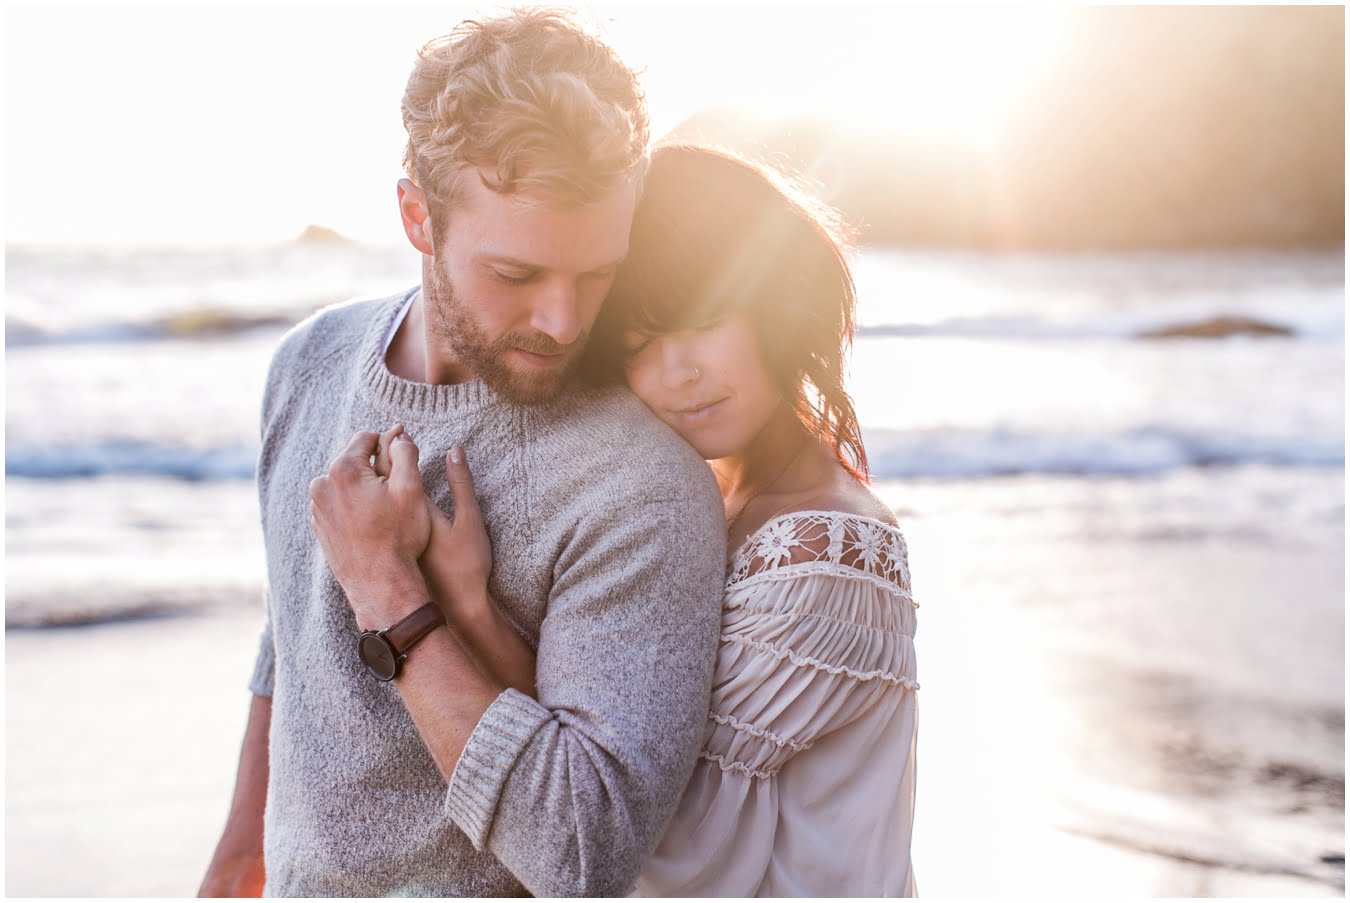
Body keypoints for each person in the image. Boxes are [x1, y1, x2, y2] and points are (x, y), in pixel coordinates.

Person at [197, 11, 728, 898]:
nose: (564, 320)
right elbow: (290, 637)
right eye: (517, 276)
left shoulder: (642, 485)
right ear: (417, 216)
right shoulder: (309, 365)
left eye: (598, 272)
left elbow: (584, 853)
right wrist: (233, 866)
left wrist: (392, 594)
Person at [320, 143, 920, 896]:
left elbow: (643, 846)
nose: (678, 373)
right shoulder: (726, 500)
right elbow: (600, 776)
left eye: (704, 322)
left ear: (776, 301)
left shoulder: (824, 558)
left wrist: (445, 608)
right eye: (637, 344)